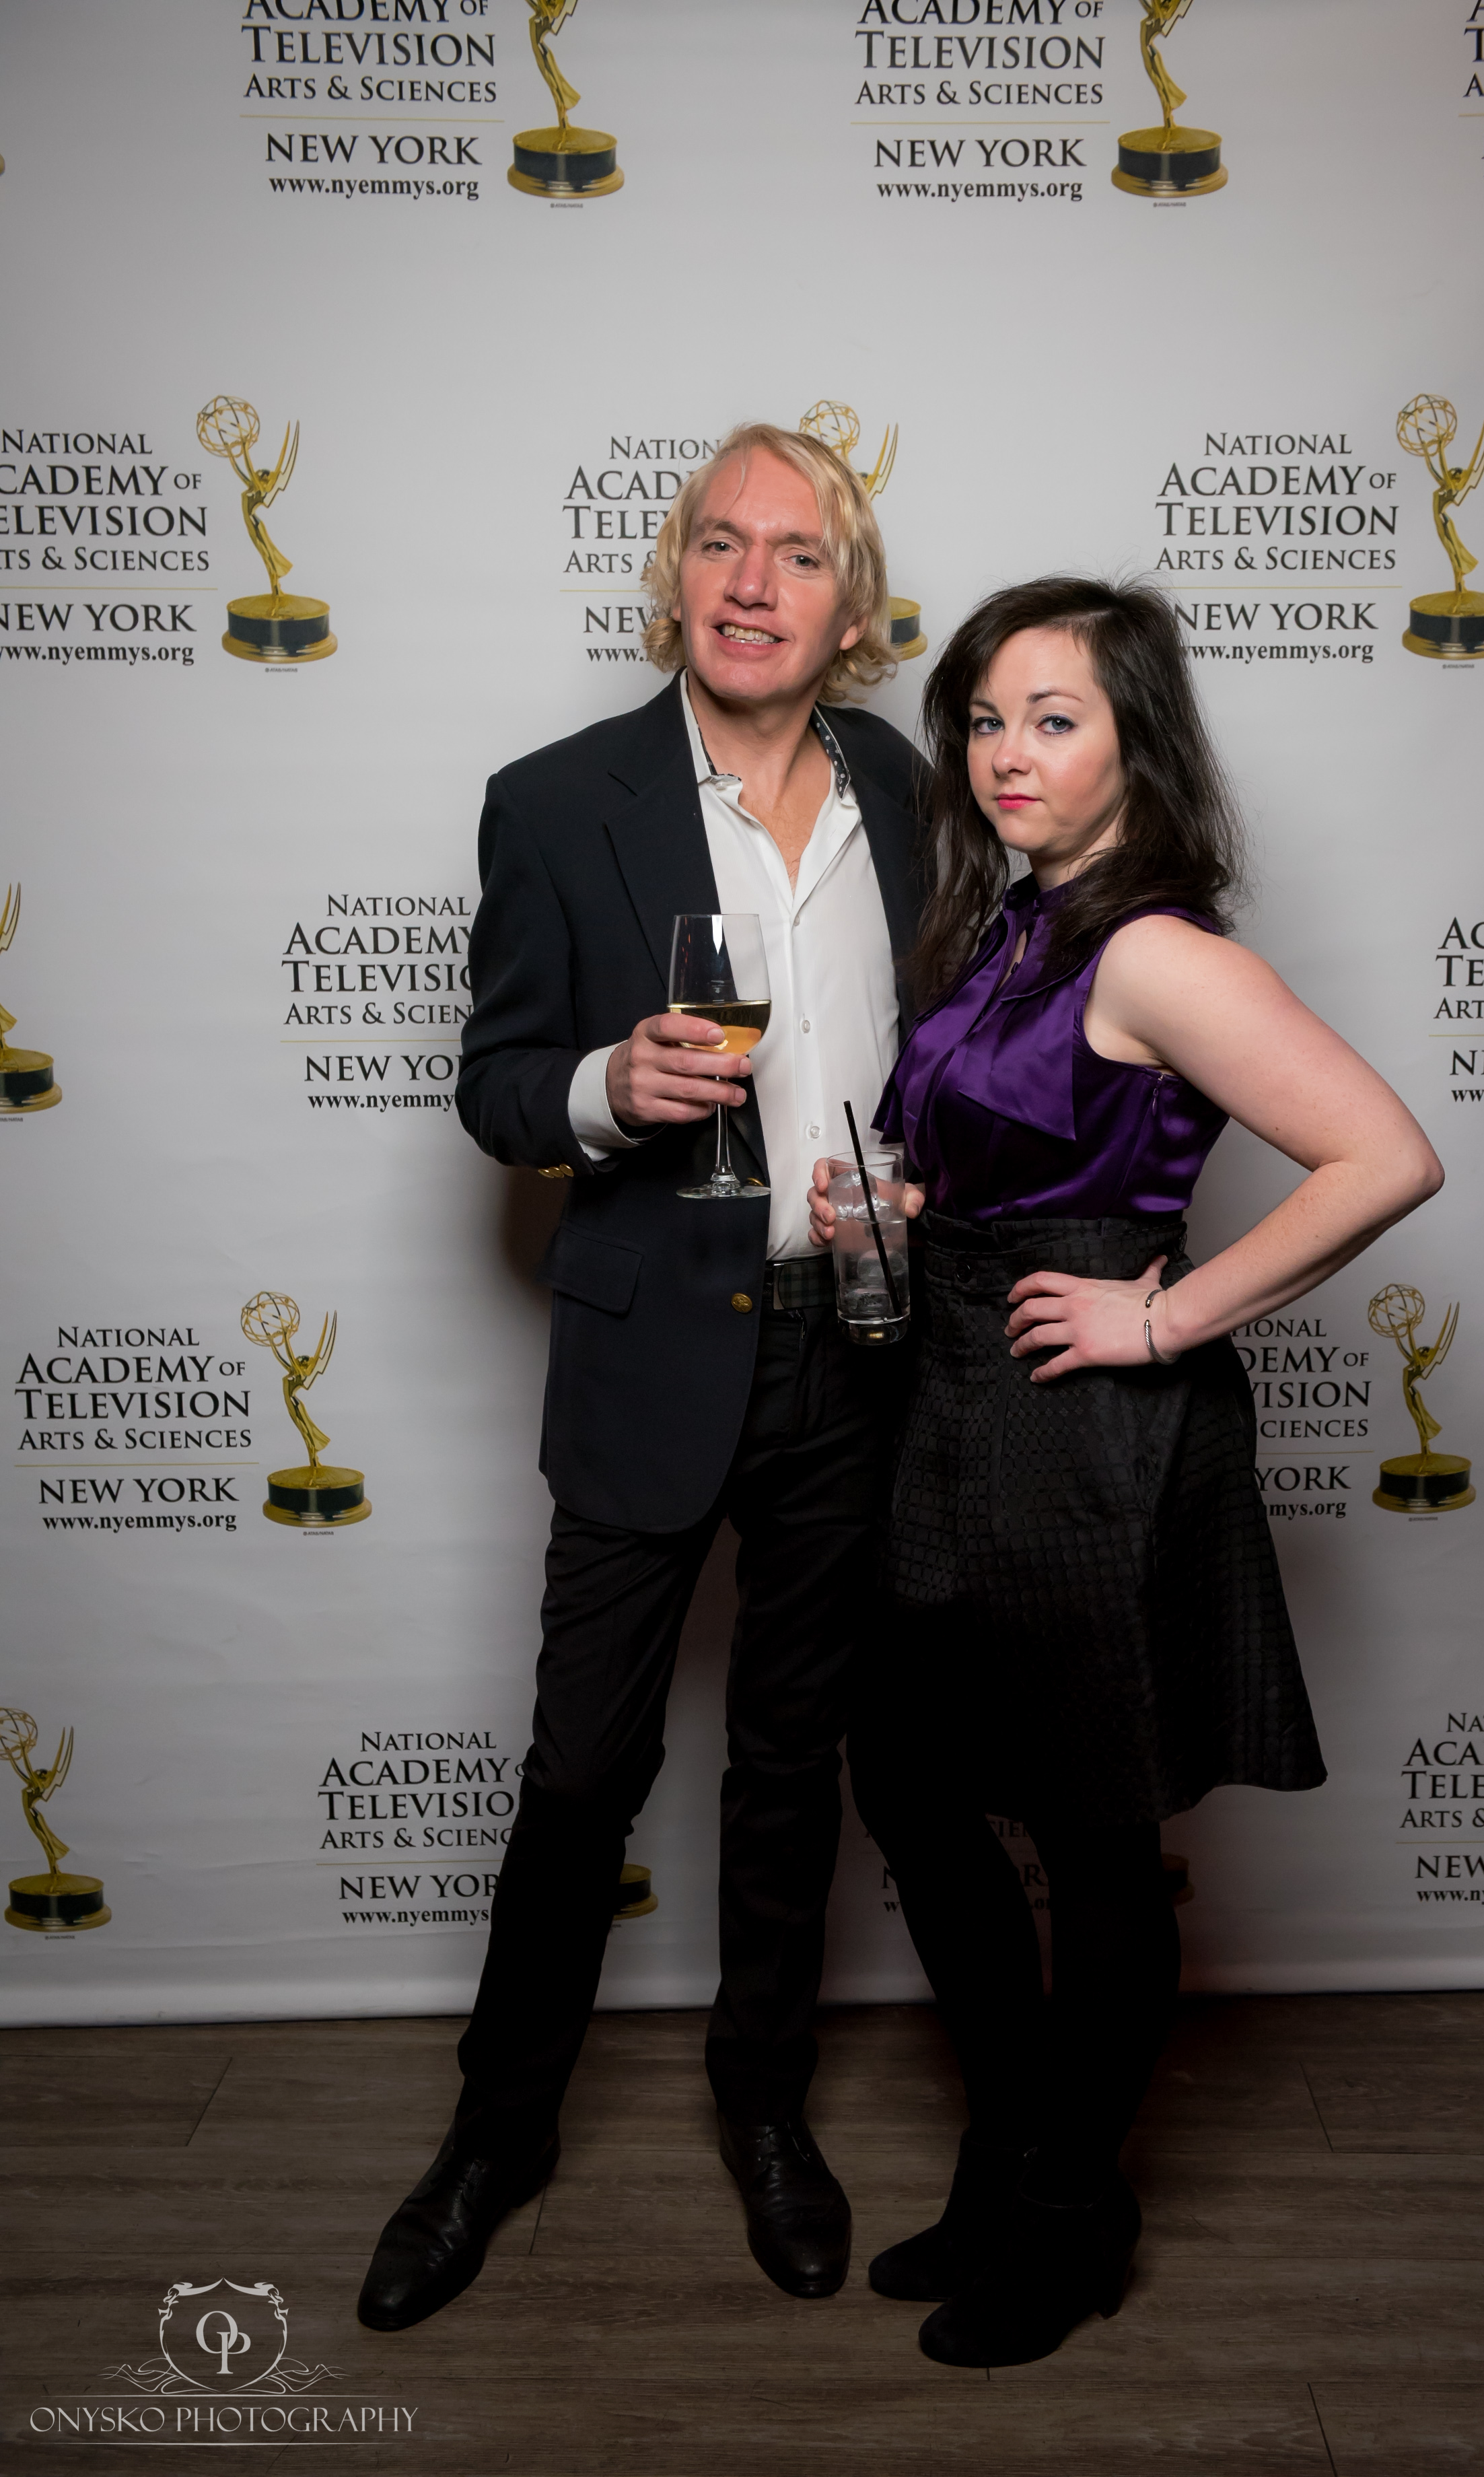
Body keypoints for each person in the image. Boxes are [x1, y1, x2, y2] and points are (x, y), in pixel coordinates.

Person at [807, 575, 1444, 2369]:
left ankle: (1075, 2210)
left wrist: (1161, 1321)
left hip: (1080, 1431)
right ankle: (1013, 2151)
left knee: (1092, 1833)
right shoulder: (1011, 923)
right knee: (914, 1785)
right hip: (947, 1393)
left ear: (1134, 741)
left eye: (1054, 718)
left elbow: (1384, 1157)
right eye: (983, 719)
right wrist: (902, 1209)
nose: (1005, 754)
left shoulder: (1156, 949)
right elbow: (1006, 1150)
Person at [357, 425, 925, 2331]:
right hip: (650, 1344)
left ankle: (764, 2107)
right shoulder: (552, 801)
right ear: (676, 573)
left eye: (799, 554)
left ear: (852, 605)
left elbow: (945, 1051)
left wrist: (921, 1183)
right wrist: (610, 1084)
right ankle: (494, 2137)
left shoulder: (909, 789)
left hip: (855, 1345)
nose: (754, 583)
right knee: (584, 1769)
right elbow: (496, 1084)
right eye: (721, 544)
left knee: (791, 1765)